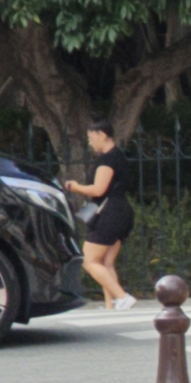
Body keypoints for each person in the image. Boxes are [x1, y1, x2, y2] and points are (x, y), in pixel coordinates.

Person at [63, 121, 136, 311]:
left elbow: (98, 189)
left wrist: (75, 186)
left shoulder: (107, 160)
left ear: (102, 134)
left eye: (91, 137)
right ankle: (111, 306)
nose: (90, 142)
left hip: (108, 213)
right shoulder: (119, 156)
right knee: (106, 263)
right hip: (121, 211)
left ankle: (122, 297)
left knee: (89, 261)